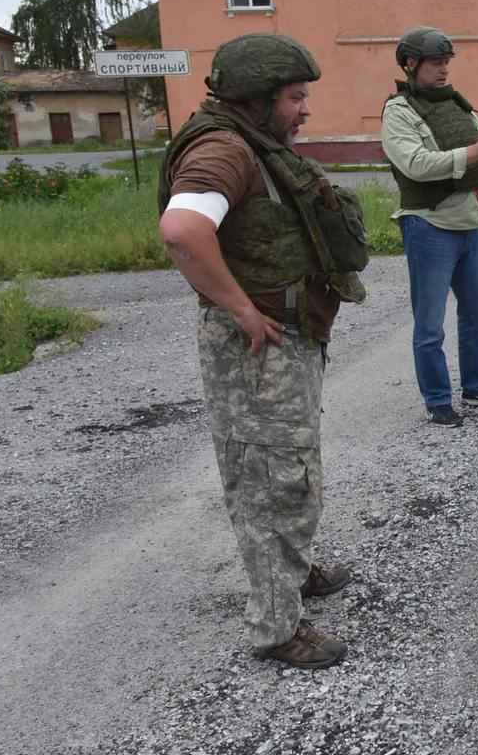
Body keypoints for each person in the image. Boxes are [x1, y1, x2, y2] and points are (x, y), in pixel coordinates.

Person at [158, 33, 371, 669]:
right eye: (295, 97)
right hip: (258, 347)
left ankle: (294, 574)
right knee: (271, 483)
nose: (305, 109)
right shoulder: (224, 149)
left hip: (288, 339)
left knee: (289, 468)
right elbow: (182, 229)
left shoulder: (252, 143)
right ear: (258, 99)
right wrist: (242, 307)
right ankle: (278, 628)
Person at [382, 26, 478, 427]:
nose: (444, 69)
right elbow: (416, 164)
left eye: (446, 62)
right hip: (428, 225)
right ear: (410, 64)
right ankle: (437, 399)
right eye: (435, 62)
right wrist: (476, 151)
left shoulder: (457, 103)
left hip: (468, 221)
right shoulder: (399, 111)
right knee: (429, 323)